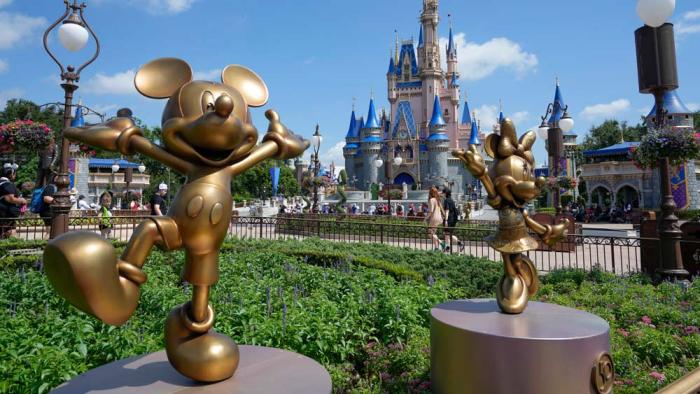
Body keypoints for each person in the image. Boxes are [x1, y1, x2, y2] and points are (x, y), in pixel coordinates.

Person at [0, 164, 27, 238]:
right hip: (6, 214)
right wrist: (22, 201)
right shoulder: (7, 185)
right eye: (14, 173)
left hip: (4, 215)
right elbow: (9, 198)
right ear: (11, 174)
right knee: (11, 233)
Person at [425, 186, 445, 251]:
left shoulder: (432, 200)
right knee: (433, 234)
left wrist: (425, 218)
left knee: (430, 234)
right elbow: (442, 209)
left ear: (430, 193)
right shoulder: (438, 199)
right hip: (439, 218)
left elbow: (431, 211)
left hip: (434, 218)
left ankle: (441, 242)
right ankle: (436, 248)